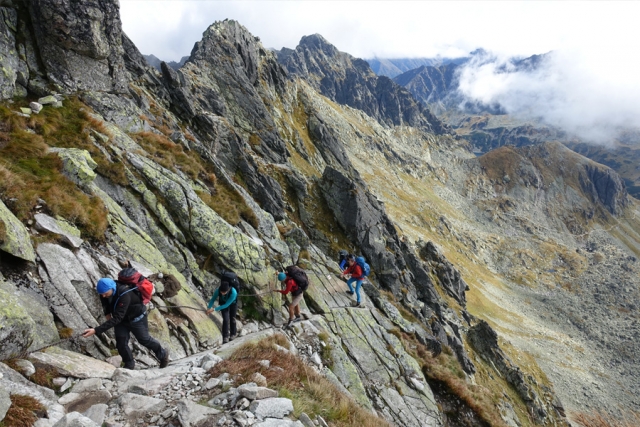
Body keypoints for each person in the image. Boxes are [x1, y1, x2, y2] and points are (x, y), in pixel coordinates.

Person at [82, 278, 169, 369]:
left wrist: (96, 330)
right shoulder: (104, 292)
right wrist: (107, 314)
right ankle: (129, 364)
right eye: (101, 294)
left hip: (136, 318)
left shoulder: (124, 294)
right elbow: (106, 304)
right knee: (121, 343)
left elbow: (117, 318)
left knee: (144, 339)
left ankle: (163, 354)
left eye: (105, 293)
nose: (103, 296)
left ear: (112, 288)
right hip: (122, 320)